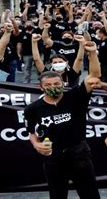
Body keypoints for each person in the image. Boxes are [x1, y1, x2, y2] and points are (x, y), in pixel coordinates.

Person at [24, 43, 101, 199]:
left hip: (79, 153)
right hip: (53, 156)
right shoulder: (33, 108)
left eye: (56, 84)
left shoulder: (75, 96)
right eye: (48, 85)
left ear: (63, 84)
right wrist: (36, 144)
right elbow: (31, 132)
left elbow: (93, 76)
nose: (53, 87)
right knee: (57, 195)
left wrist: (92, 53)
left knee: (90, 194)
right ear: (41, 88)